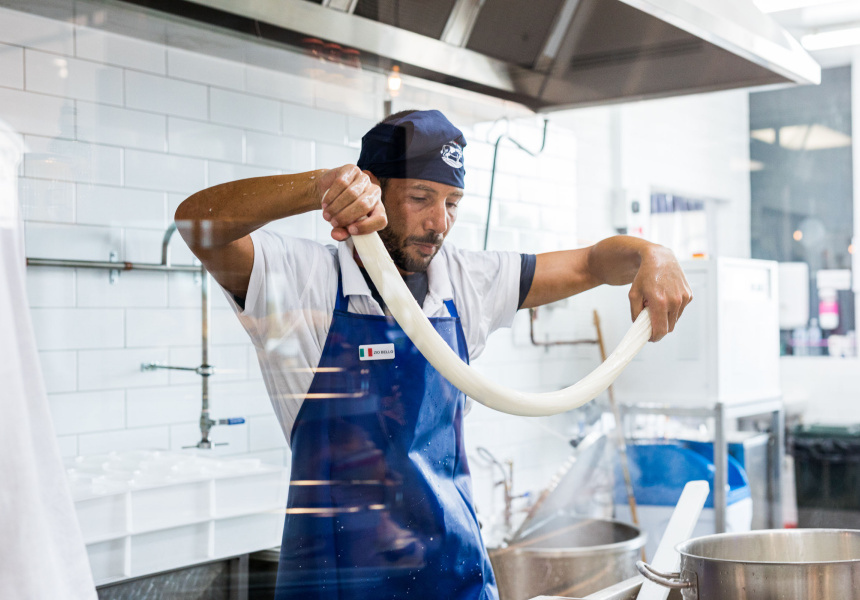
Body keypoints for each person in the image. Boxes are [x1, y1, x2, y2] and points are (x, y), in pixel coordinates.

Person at [175, 109, 692, 600]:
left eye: (451, 203)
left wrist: (655, 255)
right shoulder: (301, 280)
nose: (439, 223)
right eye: (422, 196)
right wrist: (319, 186)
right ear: (369, 191)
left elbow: (591, 264)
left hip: (455, 578)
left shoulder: (466, 282)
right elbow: (198, 222)